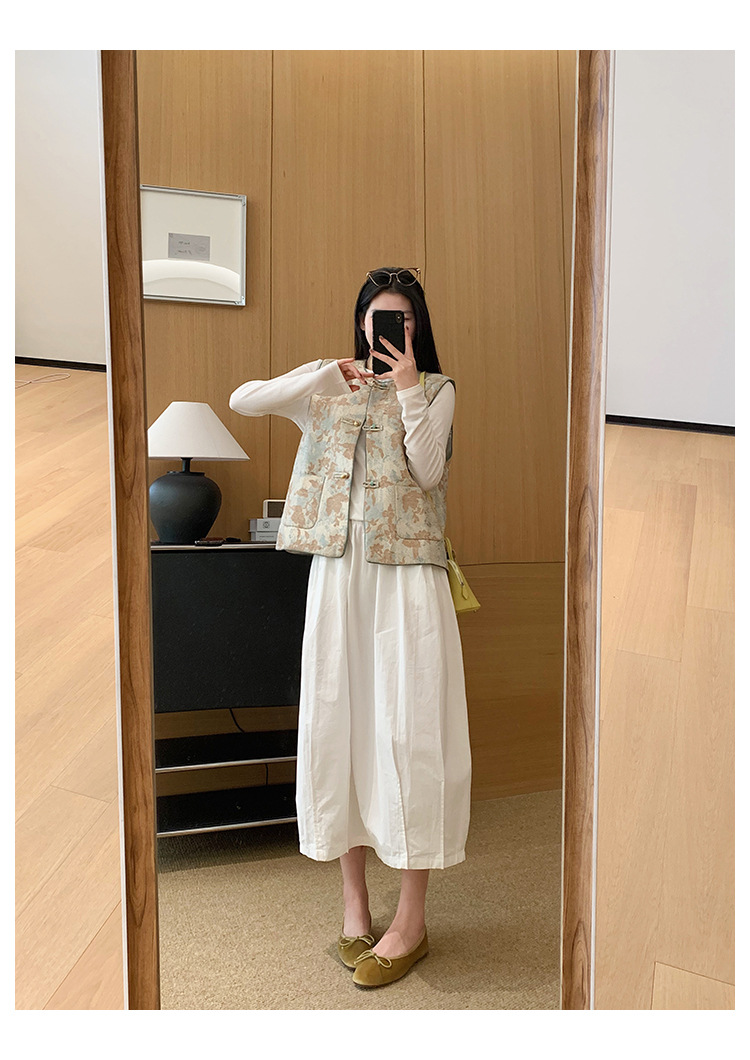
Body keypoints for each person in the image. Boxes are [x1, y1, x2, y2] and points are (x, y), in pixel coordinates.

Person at [228, 267, 472, 988]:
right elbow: (244, 399)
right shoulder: (327, 389)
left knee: (411, 731)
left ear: (418, 327)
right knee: (340, 725)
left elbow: (426, 473)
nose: (390, 330)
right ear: (361, 324)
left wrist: (407, 388)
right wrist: (320, 372)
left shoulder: (437, 390)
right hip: (339, 571)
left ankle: (412, 920)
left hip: (409, 576)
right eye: (379, 318)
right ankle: (355, 907)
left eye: (403, 319)